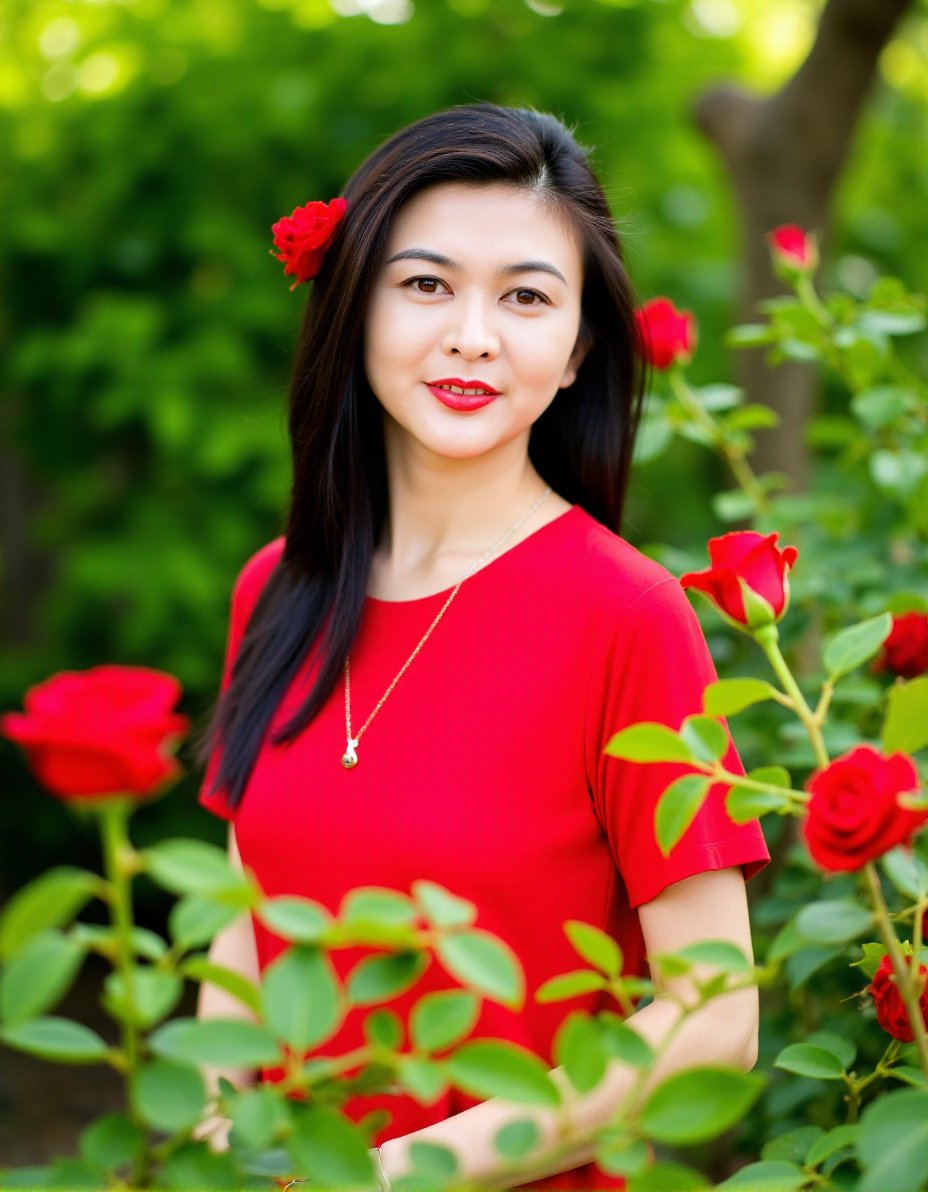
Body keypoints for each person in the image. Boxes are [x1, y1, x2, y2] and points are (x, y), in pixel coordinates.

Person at [194, 103, 770, 1190]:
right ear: (355, 307)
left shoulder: (628, 619)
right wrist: (216, 1139)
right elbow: (245, 928)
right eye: (425, 284)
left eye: (525, 297)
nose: (473, 334)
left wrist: (384, 1178)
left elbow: (713, 1019)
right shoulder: (276, 590)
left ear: (576, 350)